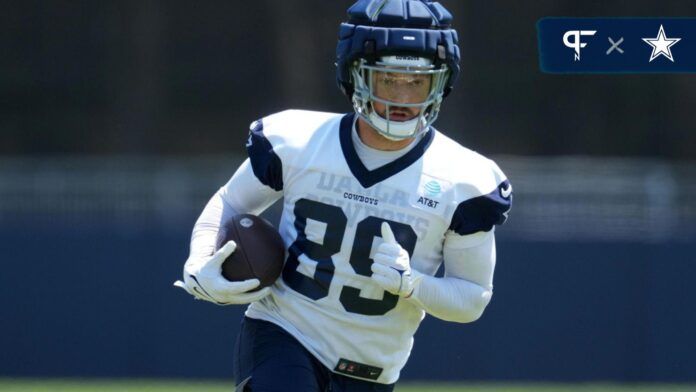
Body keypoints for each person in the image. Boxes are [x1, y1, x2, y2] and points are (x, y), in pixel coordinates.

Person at [175, 1, 512, 391]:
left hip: (373, 368)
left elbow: (472, 298)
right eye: (388, 79)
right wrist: (199, 262)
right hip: (284, 332)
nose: (403, 97)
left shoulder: (465, 179)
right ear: (356, 76)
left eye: (417, 81)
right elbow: (231, 202)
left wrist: (413, 285)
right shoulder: (299, 143)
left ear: (441, 82)